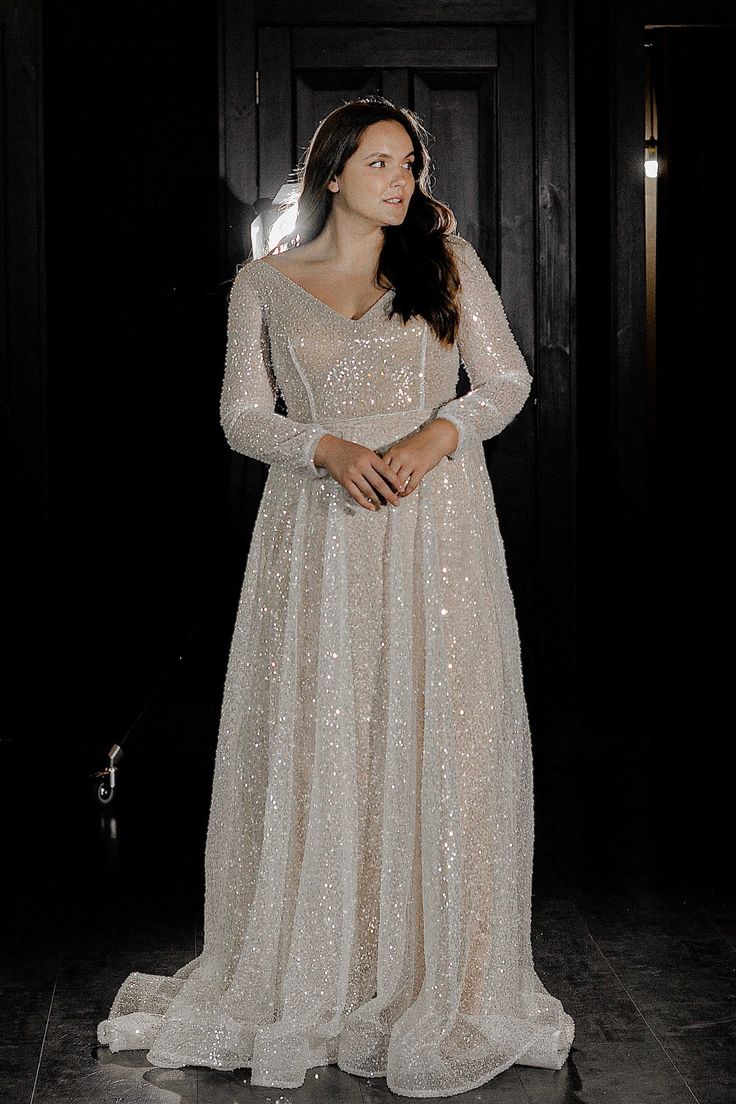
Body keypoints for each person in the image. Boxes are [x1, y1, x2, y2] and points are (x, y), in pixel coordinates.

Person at [97, 95, 575, 1097]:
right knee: (324, 736)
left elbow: (507, 380)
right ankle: (321, 961)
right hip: (317, 537)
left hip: (436, 531)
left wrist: (429, 437)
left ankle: (430, 971)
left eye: (411, 162)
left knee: (437, 732)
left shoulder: (445, 262)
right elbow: (238, 416)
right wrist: (323, 446)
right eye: (382, 163)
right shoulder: (265, 283)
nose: (403, 180)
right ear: (331, 174)